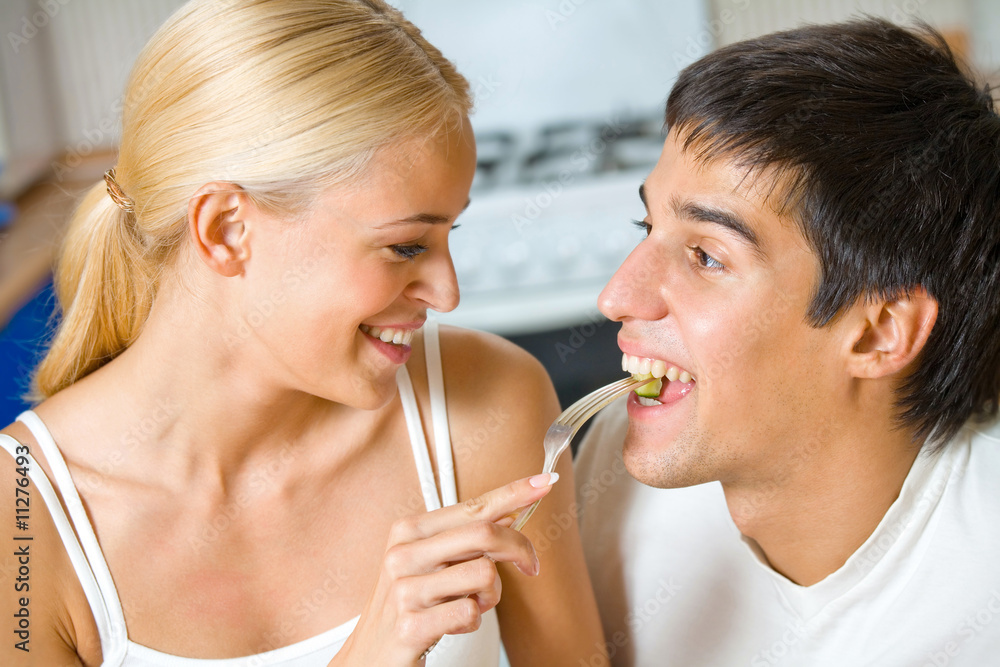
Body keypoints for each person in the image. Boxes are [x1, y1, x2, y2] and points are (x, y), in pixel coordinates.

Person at [0, 1, 607, 665]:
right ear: (227, 230)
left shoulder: (484, 404)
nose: (447, 293)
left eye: (447, 236)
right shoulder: (21, 519)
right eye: (406, 246)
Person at [573, 18, 1000, 666]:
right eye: (647, 224)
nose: (616, 296)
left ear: (878, 333)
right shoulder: (616, 462)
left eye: (707, 256)